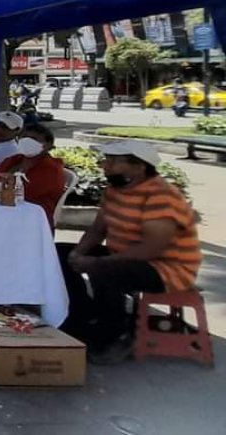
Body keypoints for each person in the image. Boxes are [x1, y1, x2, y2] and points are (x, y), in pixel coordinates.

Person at [58, 141, 201, 363]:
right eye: (106, 159)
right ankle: (84, 314)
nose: (105, 165)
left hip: (165, 268)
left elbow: (151, 248)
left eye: (114, 161)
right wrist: (78, 253)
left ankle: (116, 335)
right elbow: (97, 230)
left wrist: (97, 262)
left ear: (139, 167)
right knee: (59, 254)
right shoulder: (114, 191)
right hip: (125, 255)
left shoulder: (161, 196)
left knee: (105, 269)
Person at [0, 123, 67, 230]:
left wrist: (1, 185)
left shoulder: (51, 169)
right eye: (24, 137)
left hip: (33, 220)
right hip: (3, 211)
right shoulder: (14, 160)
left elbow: (23, 194)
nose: (27, 141)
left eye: (33, 139)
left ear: (48, 145)